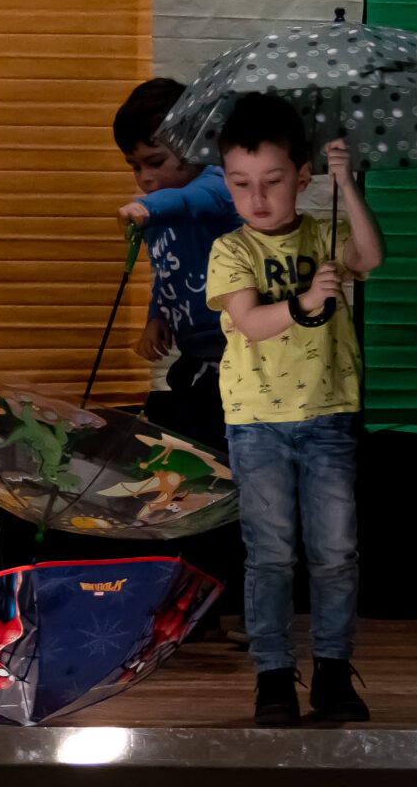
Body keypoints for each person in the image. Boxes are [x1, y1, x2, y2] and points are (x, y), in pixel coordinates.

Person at [204, 92, 384, 727]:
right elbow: (250, 322)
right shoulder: (231, 250)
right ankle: (274, 677)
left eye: (273, 181)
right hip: (256, 422)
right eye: (241, 183)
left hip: (328, 414)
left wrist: (347, 184)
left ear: (302, 178)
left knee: (335, 552)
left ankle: (333, 672)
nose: (257, 197)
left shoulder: (323, 232)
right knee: (271, 554)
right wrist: (305, 303)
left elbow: (370, 256)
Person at [112, 76, 249, 634]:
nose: (145, 178)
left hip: (241, 366)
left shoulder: (218, 186)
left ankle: (236, 605)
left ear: (196, 144)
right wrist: (156, 316)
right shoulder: (159, 211)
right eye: (134, 167)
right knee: (188, 486)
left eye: (155, 161)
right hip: (194, 366)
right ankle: (194, 606)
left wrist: (149, 206)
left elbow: (190, 201)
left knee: (230, 491)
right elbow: (166, 268)